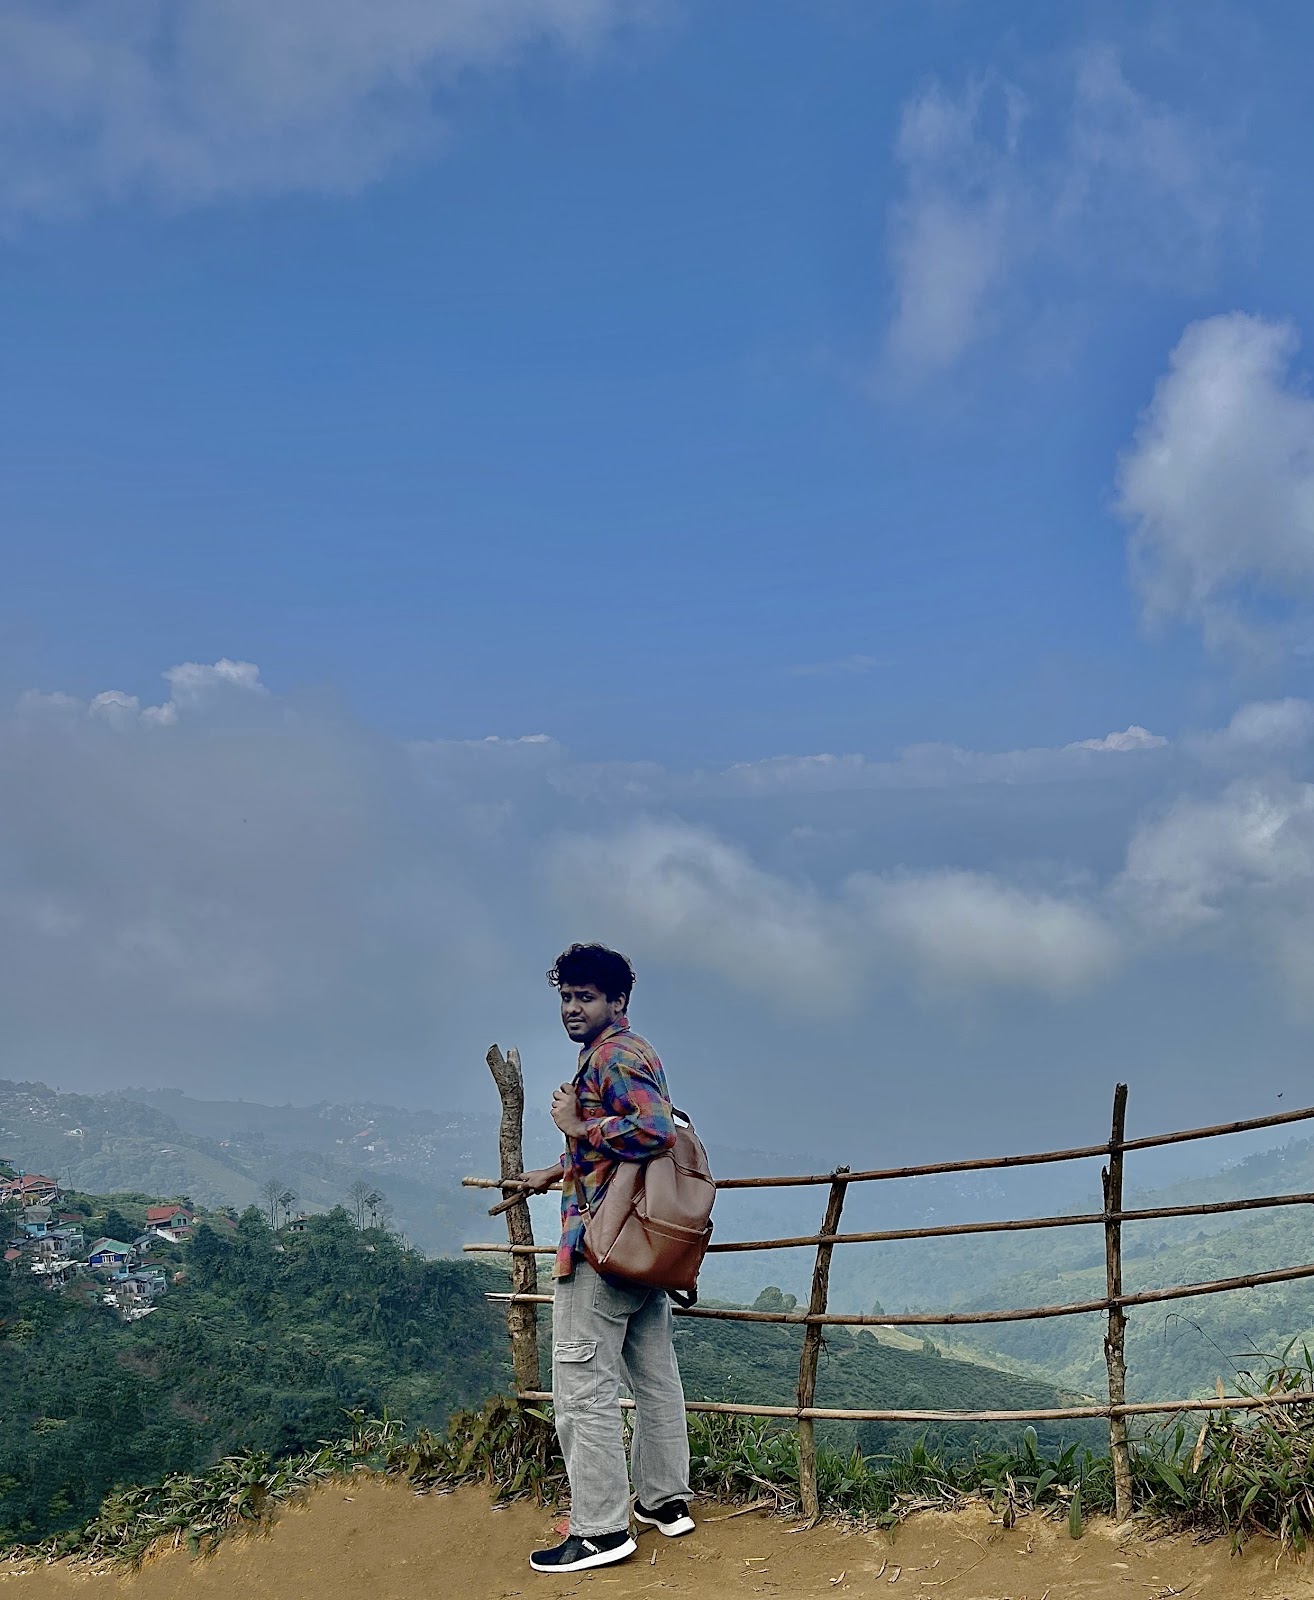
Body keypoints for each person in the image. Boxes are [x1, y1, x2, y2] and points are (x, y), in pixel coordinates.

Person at [515, 942, 695, 1575]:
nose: (571, 1008)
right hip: (640, 1248)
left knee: (582, 1389)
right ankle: (664, 1501)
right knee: (654, 1379)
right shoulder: (635, 1049)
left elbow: (654, 1130)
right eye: (566, 996)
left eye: (585, 997)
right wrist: (559, 1167)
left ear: (617, 1001)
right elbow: (628, 1143)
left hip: (601, 1250)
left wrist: (576, 1128)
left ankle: (600, 1531)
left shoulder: (612, 1055)